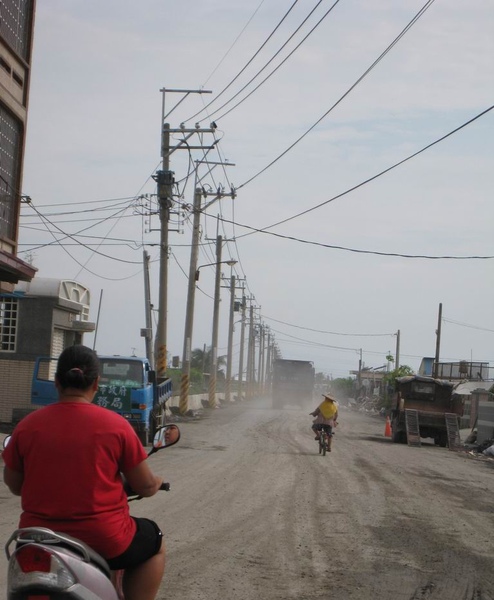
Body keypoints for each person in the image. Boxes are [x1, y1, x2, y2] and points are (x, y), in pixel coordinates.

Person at [3, 345, 165, 600]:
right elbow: (144, 485)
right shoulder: (117, 426)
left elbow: (13, 485)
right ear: (97, 383)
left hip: (36, 538)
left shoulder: (27, 427)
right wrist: (156, 483)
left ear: (56, 382)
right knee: (155, 541)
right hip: (104, 539)